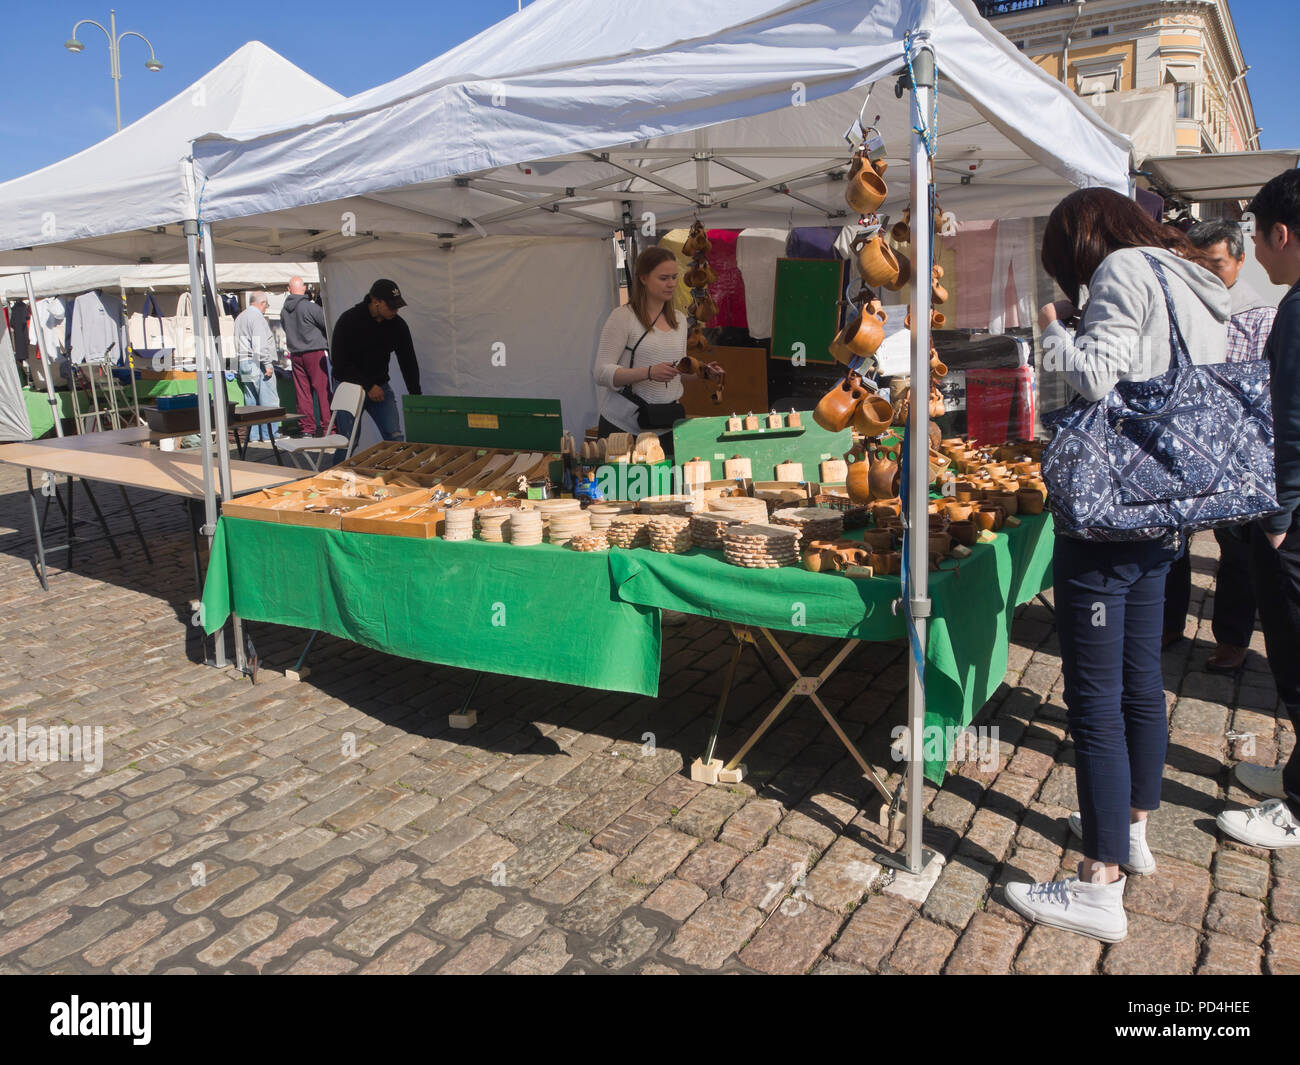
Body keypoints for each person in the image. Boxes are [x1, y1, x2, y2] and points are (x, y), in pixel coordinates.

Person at [1004, 188, 1230, 942]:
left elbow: (1092, 379)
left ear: (1082, 241)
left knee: (1093, 700)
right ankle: (1130, 828)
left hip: (1107, 517)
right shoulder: (1186, 276)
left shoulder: (1126, 273)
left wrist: (1047, 328)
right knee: (1139, 679)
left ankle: (1100, 884)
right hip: (1163, 509)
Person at [1217, 170, 1300, 851]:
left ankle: (1298, 807)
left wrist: (1276, 518)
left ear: (1280, 234)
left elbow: (1290, 422)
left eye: (1256, 238)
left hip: (1292, 518)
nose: (1255, 255)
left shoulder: (1296, 308)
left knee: (1297, 658)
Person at [1161, 220, 1274, 669]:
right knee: (1173, 543)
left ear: (1240, 260)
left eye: (1217, 265)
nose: (1207, 274)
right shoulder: (1181, 304)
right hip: (1181, 444)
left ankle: (1232, 638)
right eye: (1197, 263)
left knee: (1236, 551)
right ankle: (1169, 622)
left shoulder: (1261, 315)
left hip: (1236, 452)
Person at [592, 247, 722, 458]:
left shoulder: (679, 320)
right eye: (663, 278)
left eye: (674, 277)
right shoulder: (623, 317)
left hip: (666, 425)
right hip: (623, 428)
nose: (671, 284)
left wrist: (703, 372)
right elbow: (600, 373)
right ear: (643, 278)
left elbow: (676, 370)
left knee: (667, 491)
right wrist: (649, 372)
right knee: (622, 491)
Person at [329, 279, 422, 458]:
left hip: (380, 387)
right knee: (348, 441)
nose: (395, 311)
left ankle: (400, 478)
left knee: (395, 437)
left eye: (398, 307)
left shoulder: (398, 325)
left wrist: (415, 394)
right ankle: (336, 477)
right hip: (350, 386)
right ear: (375, 301)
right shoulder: (349, 320)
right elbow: (339, 364)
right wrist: (368, 385)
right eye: (391, 306)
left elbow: (408, 360)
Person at [281, 276, 331, 437]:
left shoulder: (284, 311)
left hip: (296, 354)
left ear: (289, 289)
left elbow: (285, 328)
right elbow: (328, 325)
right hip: (315, 352)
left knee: (303, 394)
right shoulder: (309, 307)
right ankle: (328, 428)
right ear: (303, 289)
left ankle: (307, 429)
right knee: (323, 392)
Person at [233, 291, 280, 442]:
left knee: (251, 401)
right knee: (268, 401)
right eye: (267, 304)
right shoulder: (257, 317)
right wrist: (267, 364)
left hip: (243, 362)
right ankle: (269, 435)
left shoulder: (240, 317)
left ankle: (253, 436)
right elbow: (259, 345)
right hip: (257, 362)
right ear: (262, 303)